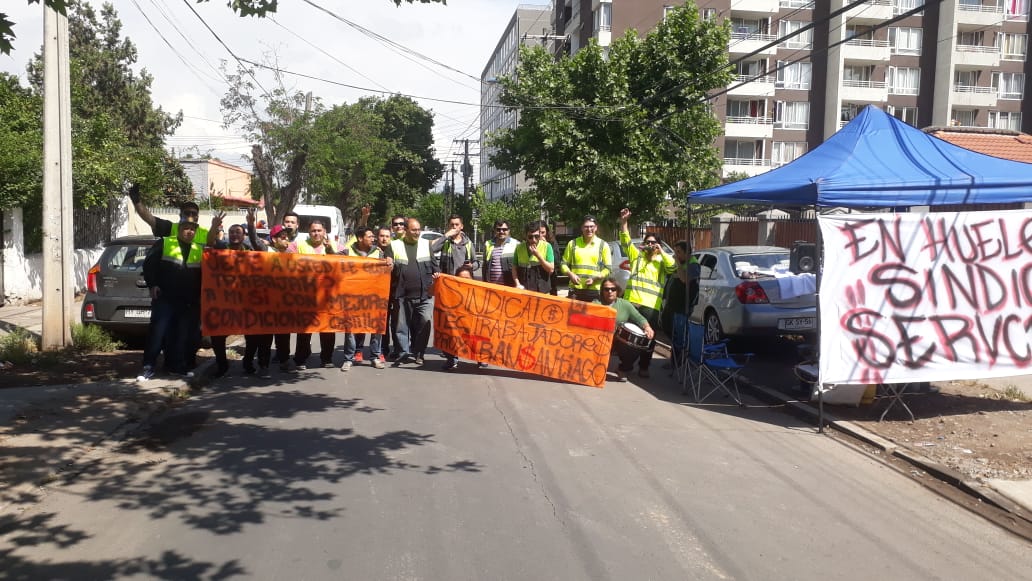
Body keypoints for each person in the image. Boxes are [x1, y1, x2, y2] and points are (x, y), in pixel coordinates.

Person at [137, 216, 204, 381]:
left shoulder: (199, 248)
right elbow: (149, 265)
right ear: (180, 229)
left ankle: (177, 367)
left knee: (181, 336)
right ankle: (148, 367)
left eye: (193, 229)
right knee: (157, 333)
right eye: (186, 228)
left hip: (186, 301)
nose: (190, 231)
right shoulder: (165, 242)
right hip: (165, 298)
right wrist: (152, 284)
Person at [617, 208, 676, 378]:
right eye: (647, 242)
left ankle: (644, 366)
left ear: (657, 245)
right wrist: (624, 222)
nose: (649, 245)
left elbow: (672, 267)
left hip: (650, 307)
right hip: (631, 304)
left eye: (653, 243)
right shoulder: (637, 257)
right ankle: (625, 367)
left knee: (648, 339)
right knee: (627, 338)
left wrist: (661, 251)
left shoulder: (662, 262)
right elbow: (625, 240)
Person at [289, 219, 342, 369]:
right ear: (309, 232)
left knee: (327, 329)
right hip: (306, 296)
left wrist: (331, 251)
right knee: (305, 330)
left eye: (319, 230)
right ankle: (300, 359)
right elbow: (284, 258)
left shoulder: (334, 246)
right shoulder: (299, 245)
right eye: (313, 231)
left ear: (325, 232)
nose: (316, 233)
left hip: (327, 297)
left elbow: (346, 259)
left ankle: (327, 359)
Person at [387, 218, 439, 366]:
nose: (417, 232)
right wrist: (388, 262)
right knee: (401, 326)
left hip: (425, 295)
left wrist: (437, 275)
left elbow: (435, 266)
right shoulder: (394, 245)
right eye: (413, 230)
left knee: (425, 322)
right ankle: (403, 352)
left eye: (418, 229)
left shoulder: (425, 244)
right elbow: (387, 263)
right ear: (406, 230)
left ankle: (419, 352)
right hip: (402, 295)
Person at [340, 227, 391, 371]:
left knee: (376, 327)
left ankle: (375, 356)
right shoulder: (347, 252)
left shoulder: (378, 252)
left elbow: (386, 269)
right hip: (353, 297)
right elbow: (334, 261)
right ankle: (348, 358)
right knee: (350, 328)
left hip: (374, 297)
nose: (373, 239)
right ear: (360, 238)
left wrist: (388, 263)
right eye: (369, 236)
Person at [596, 277, 654, 383]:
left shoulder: (625, 304)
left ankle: (623, 369)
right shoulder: (595, 303)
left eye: (613, 289)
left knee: (634, 346)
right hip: (598, 340)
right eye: (606, 289)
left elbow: (639, 317)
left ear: (617, 290)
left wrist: (647, 327)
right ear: (602, 290)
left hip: (617, 340)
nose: (610, 291)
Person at [661, 239, 701, 368]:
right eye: (675, 252)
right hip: (672, 305)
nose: (676, 255)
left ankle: (677, 362)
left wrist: (677, 263)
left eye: (679, 252)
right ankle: (676, 359)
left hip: (682, 306)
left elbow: (684, 279)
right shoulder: (681, 264)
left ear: (687, 253)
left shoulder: (693, 265)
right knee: (668, 328)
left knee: (678, 334)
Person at [128, 184, 210, 243]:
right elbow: (150, 219)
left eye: (193, 213)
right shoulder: (170, 228)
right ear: (180, 215)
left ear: (197, 217)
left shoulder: (205, 233)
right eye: (187, 213)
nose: (190, 215)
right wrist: (137, 202)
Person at [562, 215, 611, 302]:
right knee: (574, 316)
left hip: (594, 290)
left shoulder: (603, 245)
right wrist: (570, 274)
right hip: (575, 290)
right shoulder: (572, 244)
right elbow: (563, 264)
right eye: (586, 227)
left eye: (591, 226)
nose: (589, 229)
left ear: (596, 228)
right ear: (581, 228)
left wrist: (595, 278)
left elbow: (608, 269)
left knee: (592, 316)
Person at [440, 264, 475, 371]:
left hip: (473, 325)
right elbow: (431, 292)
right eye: (460, 278)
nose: (464, 281)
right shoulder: (449, 290)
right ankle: (451, 358)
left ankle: (482, 358)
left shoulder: (479, 292)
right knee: (446, 332)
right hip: (456, 325)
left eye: (467, 278)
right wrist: (437, 280)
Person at [377, 225, 400, 359]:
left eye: (387, 236)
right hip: (378, 293)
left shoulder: (396, 249)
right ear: (377, 237)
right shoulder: (373, 251)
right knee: (382, 323)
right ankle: (382, 350)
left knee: (396, 322)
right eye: (382, 236)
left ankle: (398, 349)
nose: (384, 239)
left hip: (394, 291)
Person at [512, 221, 554, 293]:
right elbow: (514, 268)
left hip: (542, 291)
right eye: (530, 237)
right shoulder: (519, 248)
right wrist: (517, 283)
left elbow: (551, 269)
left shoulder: (547, 246)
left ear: (540, 235)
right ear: (525, 236)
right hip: (524, 290)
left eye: (536, 236)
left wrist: (538, 256)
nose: (533, 240)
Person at [482, 220, 520, 286]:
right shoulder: (488, 244)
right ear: (494, 230)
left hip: (509, 288)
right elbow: (484, 266)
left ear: (509, 230)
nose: (501, 232)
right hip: (491, 287)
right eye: (498, 229)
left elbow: (519, 268)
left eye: (504, 229)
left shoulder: (516, 244)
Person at [540, 222, 561, 296]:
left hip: (550, 277)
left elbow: (557, 260)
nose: (541, 235)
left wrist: (546, 246)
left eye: (543, 232)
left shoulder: (552, 242)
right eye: (539, 233)